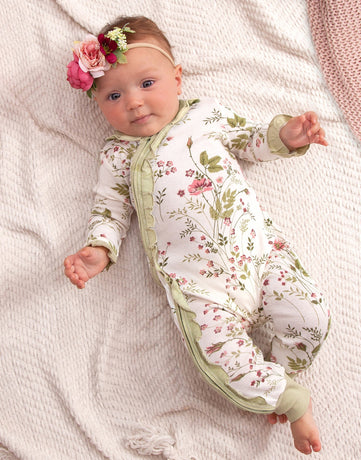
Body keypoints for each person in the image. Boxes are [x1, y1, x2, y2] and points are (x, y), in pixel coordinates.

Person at [64, 16, 331, 455]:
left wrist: (286, 134)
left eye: (146, 83)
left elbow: (249, 140)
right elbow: (110, 207)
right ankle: (290, 400)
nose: (134, 102)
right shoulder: (118, 153)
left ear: (177, 78)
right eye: (113, 95)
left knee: (311, 316)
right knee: (217, 357)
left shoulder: (205, 115)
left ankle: (279, 374)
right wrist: (99, 248)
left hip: (259, 255)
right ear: (98, 103)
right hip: (199, 285)